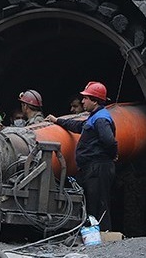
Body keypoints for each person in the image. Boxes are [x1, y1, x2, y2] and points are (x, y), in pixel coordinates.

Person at [46, 81, 117, 231]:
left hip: (98, 168)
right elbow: (79, 126)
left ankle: (102, 235)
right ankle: (92, 233)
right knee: (90, 202)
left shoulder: (101, 119)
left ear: (95, 101)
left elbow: (109, 140)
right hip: (91, 168)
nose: (83, 101)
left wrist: (112, 154)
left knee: (98, 204)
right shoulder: (94, 117)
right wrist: (57, 121)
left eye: (86, 98)